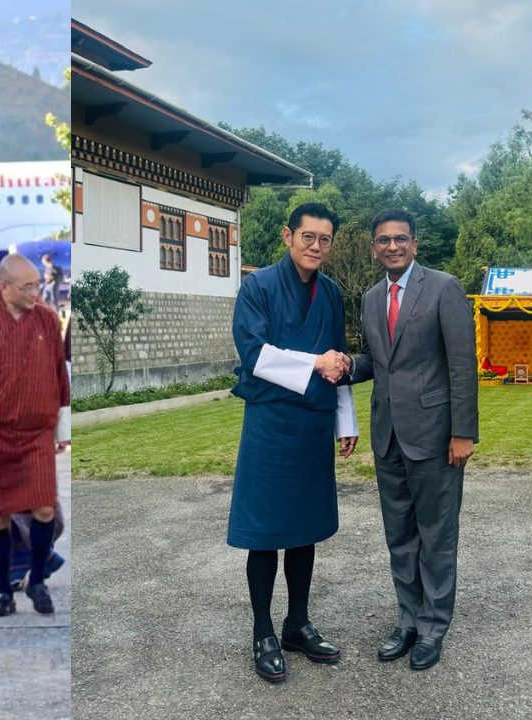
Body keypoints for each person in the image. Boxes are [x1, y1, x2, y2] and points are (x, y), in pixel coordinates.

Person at [227, 203, 357, 683]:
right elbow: (254, 354)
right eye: (308, 237)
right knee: (266, 531)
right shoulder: (257, 287)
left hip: (314, 424)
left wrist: (346, 420)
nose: (316, 247)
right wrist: (314, 363)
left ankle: (296, 623)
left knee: (305, 529)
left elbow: (339, 359)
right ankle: (263, 630)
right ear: (288, 235)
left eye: (324, 239)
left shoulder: (332, 293)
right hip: (270, 422)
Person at [347, 208, 478, 671]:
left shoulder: (443, 287)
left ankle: (433, 627)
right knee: (399, 536)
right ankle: (407, 620)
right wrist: (346, 366)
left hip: (436, 437)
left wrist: (464, 432)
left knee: (437, 536)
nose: (392, 247)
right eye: (383, 240)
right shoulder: (369, 298)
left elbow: (463, 364)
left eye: (401, 239)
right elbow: (375, 360)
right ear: (373, 247)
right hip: (388, 439)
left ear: (415, 244)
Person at [0, 255, 70, 617]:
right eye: (26, 286)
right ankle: (3, 592)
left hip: (35, 432)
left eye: (37, 284)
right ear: (3, 287)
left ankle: (37, 580)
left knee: (43, 509)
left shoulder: (45, 319)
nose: (35, 292)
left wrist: (62, 427)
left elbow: (59, 372)